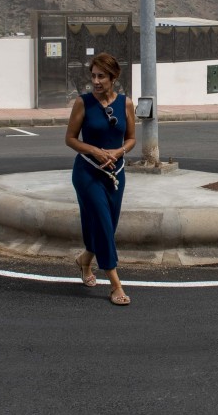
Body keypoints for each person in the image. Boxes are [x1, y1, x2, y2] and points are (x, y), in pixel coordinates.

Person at [65, 53, 136, 306]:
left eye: (101, 76)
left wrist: (118, 152)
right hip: (87, 173)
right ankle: (116, 285)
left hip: (115, 175)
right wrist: (95, 151)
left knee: (109, 224)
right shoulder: (82, 103)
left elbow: (131, 139)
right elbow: (70, 139)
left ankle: (85, 260)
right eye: (93, 76)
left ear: (113, 78)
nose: (95, 81)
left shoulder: (126, 103)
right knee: (103, 224)